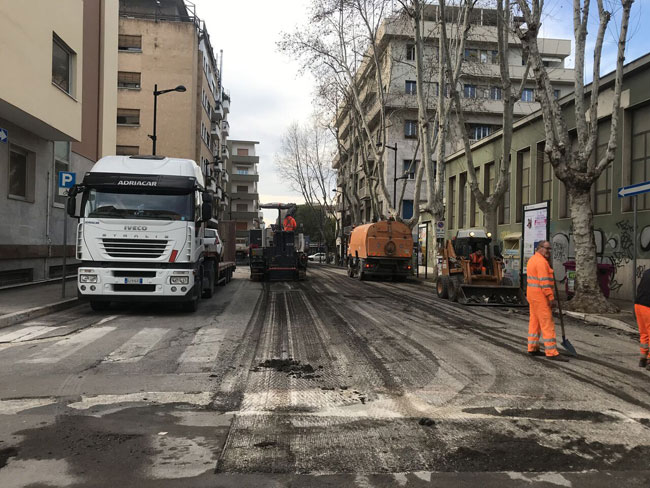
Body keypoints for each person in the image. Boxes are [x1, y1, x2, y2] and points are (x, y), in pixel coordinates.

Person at [526, 240, 568, 361]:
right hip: (540, 296)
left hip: (532, 295)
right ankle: (551, 352)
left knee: (535, 322)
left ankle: (532, 347)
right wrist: (550, 297)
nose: (549, 251)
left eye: (550, 249)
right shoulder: (541, 263)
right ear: (539, 248)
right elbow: (544, 283)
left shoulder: (533, 260)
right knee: (547, 323)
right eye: (546, 248)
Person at [634, 268, 650, 370]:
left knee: (644, 333)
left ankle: (642, 358)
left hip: (638, 305)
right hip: (648, 307)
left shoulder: (647, 272)